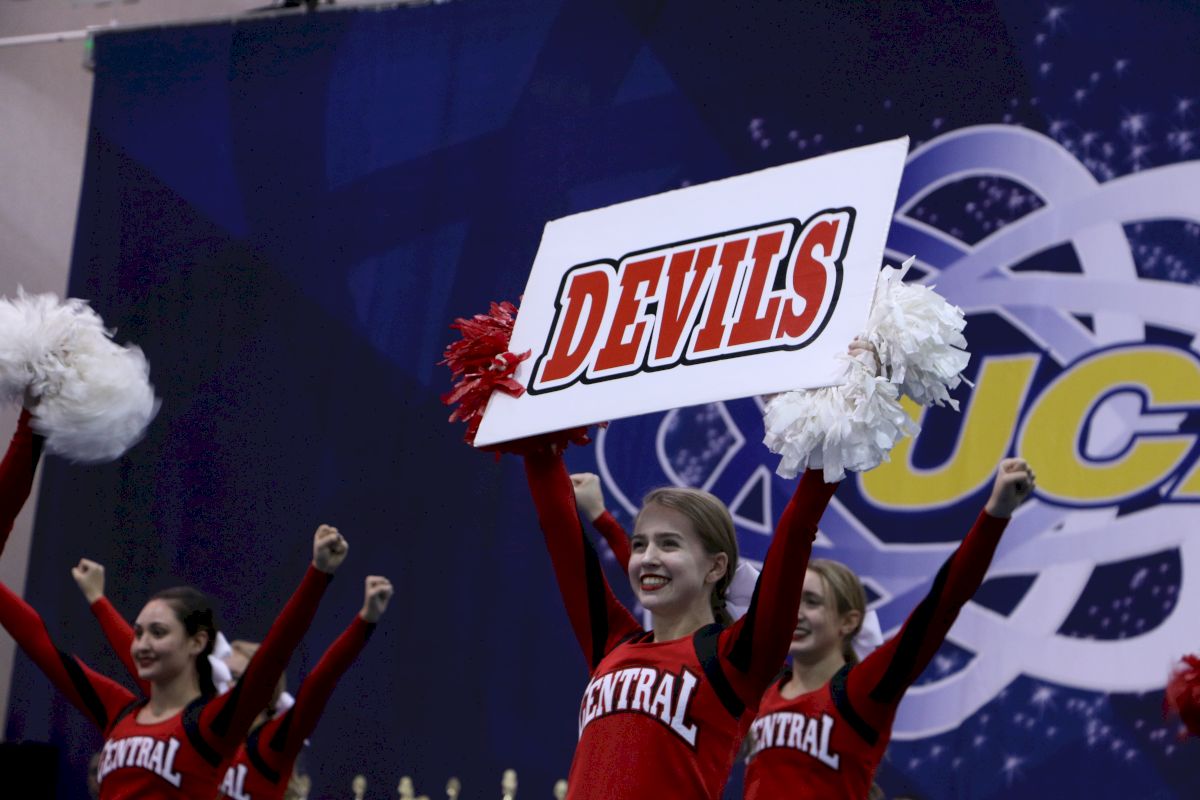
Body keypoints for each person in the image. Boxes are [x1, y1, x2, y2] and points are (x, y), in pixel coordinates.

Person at [521, 415, 843, 797]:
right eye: (640, 544)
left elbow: (796, 533)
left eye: (669, 544)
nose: (648, 557)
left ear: (715, 566)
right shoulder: (612, 643)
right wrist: (536, 433)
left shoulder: (733, 661)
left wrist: (837, 428)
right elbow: (562, 535)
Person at [741, 459, 1035, 798]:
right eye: (793, 601)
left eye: (812, 602)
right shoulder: (762, 693)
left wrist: (995, 515)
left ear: (849, 621)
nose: (797, 614)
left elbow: (940, 606)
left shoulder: (863, 691)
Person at [0, 524, 348, 797]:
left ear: (197, 642)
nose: (142, 644)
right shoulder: (119, 711)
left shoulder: (211, 726)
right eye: (137, 633)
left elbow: (275, 654)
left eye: (158, 632)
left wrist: (318, 574)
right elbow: (38, 642)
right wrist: (98, 601)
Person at [72, 560, 394, 800]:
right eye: (222, 671)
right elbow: (139, 655)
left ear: (263, 689)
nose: (225, 680)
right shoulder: (196, 726)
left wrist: (365, 620)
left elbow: (319, 682)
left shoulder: (271, 746)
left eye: (237, 677)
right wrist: (96, 598)